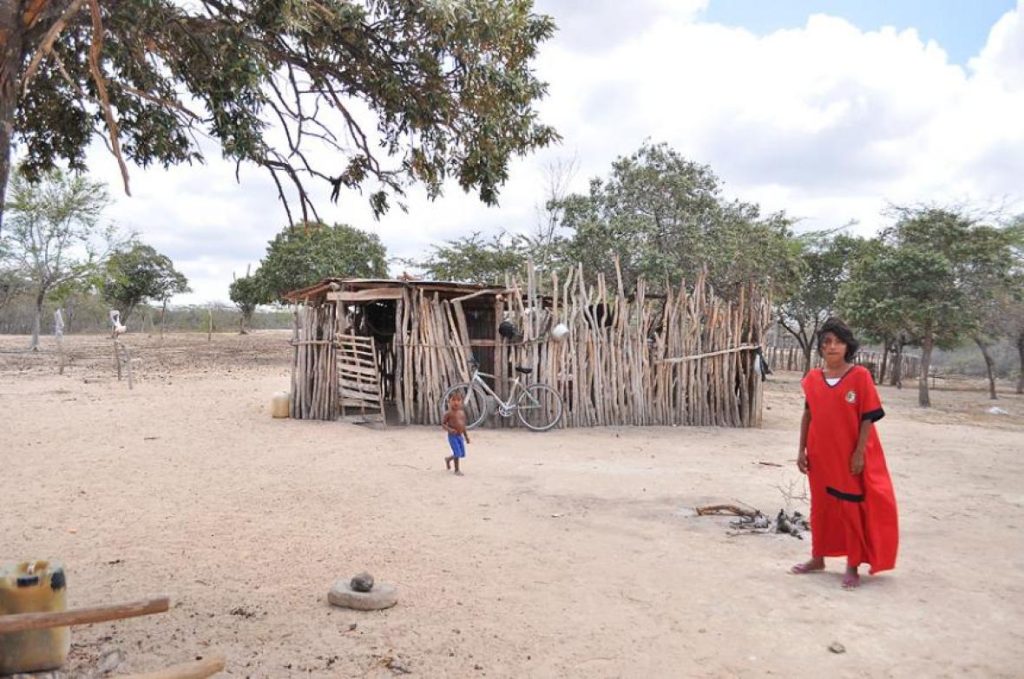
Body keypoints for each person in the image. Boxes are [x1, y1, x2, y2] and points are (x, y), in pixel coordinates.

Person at [791, 318, 899, 589]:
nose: (832, 346)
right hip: (820, 454)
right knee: (821, 507)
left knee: (850, 507)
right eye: (826, 342)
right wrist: (801, 449)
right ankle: (818, 558)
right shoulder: (813, 378)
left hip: (848, 455)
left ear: (847, 345)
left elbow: (867, 418)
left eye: (838, 341)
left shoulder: (859, 376)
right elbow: (808, 415)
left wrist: (859, 453)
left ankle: (852, 564)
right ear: (821, 347)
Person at [442, 392, 471, 476]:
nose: (456, 402)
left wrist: (466, 436)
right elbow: (443, 424)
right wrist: (449, 429)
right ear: (449, 402)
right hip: (452, 436)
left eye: (458, 400)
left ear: (461, 402)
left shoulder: (462, 413)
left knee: (461, 453)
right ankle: (457, 470)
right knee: (457, 453)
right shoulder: (448, 413)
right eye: (453, 400)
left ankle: (448, 459)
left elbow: (463, 425)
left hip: (460, 436)